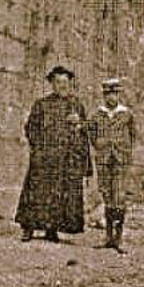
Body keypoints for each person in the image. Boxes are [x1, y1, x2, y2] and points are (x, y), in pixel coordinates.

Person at [16, 64, 91, 242]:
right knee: (36, 192)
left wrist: (79, 124)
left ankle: (52, 229)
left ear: (70, 83)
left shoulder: (76, 105)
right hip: (44, 158)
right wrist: (40, 148)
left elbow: (84, 133)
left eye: (65, 82)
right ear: (52, 84)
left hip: (65, 160)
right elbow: (30, 127)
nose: (61, 85)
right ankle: (28, 228)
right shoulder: (42, 104)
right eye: (58, 82)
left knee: (58, 195)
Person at [88, 77, 136, 253]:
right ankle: (108, 237)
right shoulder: (97, 115)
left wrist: (124, 150)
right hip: (104, 159)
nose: (111, 98)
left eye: (114, 94)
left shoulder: (126, 115)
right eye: (108, 94)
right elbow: (92, 135)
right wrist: (100, 146)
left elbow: (132, 135)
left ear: (118, 95)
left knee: (119, 196)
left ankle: (118, 238)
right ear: (103, 96)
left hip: (121, 160)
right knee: (107, 195)